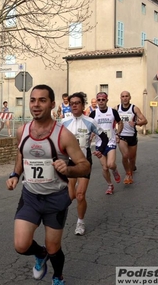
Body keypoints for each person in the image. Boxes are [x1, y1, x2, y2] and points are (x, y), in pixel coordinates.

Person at [6, 84, 90, 285]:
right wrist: (15, 174)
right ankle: (40, 253)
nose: (36, 105)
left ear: (52, 104)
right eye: (33, 100)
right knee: (21, 245)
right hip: (31, 196)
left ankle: (57, 276)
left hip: (55, 199)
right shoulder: (22, 131)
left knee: (54, 248)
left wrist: (68, 169)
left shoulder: (63, 134)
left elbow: (85, 166)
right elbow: (21, 154)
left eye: (42, 100)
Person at [61, 92, 108, 236]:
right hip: (69, 162)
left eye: (77, 103)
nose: (74, 105)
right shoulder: (63, 122)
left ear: (83, 105)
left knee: (80, 195)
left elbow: (104, 137)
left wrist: (99, 150)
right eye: (72, 103)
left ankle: (80, 222)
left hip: (84, 161)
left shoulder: (90, 121)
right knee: (70, 195)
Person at [89, 92, 123, 195]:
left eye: (103, 99)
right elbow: (89, 127)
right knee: (104, 167)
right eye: (99, 100)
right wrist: (90, 136)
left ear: (106, 100)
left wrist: (118, 133)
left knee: (110, 164)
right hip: (99, 144)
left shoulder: (112, 111)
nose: (101, 102)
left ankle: (115, 170)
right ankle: (110, 185)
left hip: (111, 141)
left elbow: (120, 122)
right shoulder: (94, 113)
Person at [116, 91, 148, 184]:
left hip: (132, 135)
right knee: (125, 155)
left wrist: (136, 123)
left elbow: (145, 121)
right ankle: (128, 173)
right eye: (123, 96)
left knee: (132, 158)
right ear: (120, 98)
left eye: (126, 96)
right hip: (122, 135)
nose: (125, 98)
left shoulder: (134, 108)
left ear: (130, 98)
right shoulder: (117, 108)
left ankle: (132, 168)